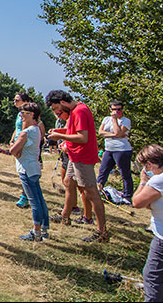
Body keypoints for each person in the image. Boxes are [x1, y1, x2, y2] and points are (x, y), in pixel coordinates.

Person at [46, 89, 108, 242]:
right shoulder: (75, 110)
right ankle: (65, 216)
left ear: (62, 103)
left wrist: (60, 136)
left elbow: (82, 137)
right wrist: (58, 130)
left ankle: (102, 232)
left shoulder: (79, 111)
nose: (56, 113)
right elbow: (73, 130)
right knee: (68, 182)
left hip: (83, 156)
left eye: (56, 109)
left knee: (91, 192)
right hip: (75, 155)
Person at [11, 102, 50, 241]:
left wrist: (16, 148)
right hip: (34, 167)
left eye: (24, 113)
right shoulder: (37, 130)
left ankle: (36, 231)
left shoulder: (26, 132)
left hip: (26, 169)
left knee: (34, 202)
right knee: (39, 199)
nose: (21, 115)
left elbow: (13, 150)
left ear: (32, 114)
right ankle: (44, 229)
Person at [132, 144, 163, 303]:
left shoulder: (158, 180)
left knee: (152, 276)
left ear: (149, 164)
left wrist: (143, 182)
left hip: (162, 238)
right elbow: (150, 203)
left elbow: (137, 202)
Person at [12, 92, 46, 208]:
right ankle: (25, 195)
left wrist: (21, 145)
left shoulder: (29, 116)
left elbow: (27, 131)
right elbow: (17, 128)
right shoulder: (20, 114)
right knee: (21, 171)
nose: (14, 102)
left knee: (26, 173)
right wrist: (12, 140)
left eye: (17, 100)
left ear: (25, 101)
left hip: (24, 145)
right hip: (18, 142)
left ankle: (25, 197)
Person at [96, 100, 134, 204]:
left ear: (122, 110)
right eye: (114, 110)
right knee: (103, 171)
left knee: (125, 173)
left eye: (119, 110)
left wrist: (114, 120)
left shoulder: (126, 121)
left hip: (122, 150)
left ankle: (127, 196)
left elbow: (118, 131)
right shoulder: (106, 119)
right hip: (109, 149)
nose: (116, 112)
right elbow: (100, 132)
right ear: (110, 110)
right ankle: (97, 190)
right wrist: (115, 135)